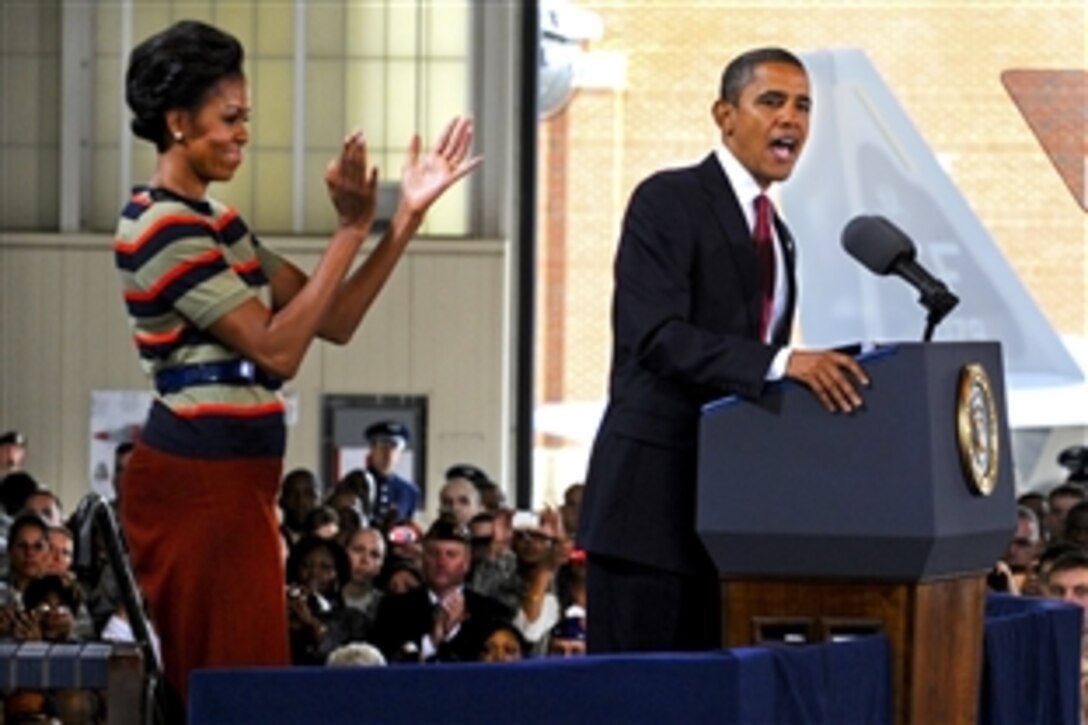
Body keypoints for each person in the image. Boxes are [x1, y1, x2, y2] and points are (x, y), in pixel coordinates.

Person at [114, 19, 480, 707]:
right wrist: (349, 229)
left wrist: (402, 220)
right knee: (234, 687)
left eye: (245, 118)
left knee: (249, 681)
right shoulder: (161, 224)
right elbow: (278, 345)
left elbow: (331, 317)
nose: (244, 133)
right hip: (201, 481)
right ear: (177, 122)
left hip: (237, 478)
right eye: (230, 118)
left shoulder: (216, 222)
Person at [578, 47, 868, 654]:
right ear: (725, 114)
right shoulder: (668, 200)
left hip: (729, 524)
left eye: (803, 106)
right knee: (641, 700)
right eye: (772, 102)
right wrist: (785, 363)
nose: (791, 119)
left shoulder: (780, 237)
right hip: (649, 516)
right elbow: (656, 335)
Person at [364, 421, 420, 525]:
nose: (388, 452)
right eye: (382, 445)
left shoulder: (409, 491)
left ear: (401, 452)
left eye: (394, 446)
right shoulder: (355, 485)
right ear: (372, 449)